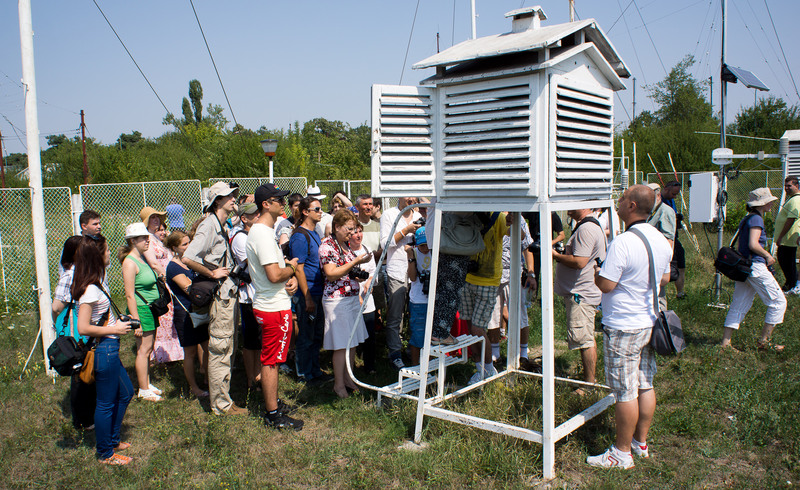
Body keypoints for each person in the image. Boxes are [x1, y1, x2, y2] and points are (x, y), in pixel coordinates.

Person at [588, 185, 672, 469]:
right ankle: (640, 442)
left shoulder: (623, 242)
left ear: (632, 206)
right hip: (649, 320)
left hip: (623, 325)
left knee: (624, 391)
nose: (619, 201)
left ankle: (621, 453)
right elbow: (665, 278)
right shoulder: (660, 239)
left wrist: (598, 273)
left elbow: (607, 285)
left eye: (623, 198)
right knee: (645, 383)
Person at [183, 182, 248, 416]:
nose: (233, 199)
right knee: (220, 347)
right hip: (220, 296)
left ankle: (224, 397)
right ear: (217, 201)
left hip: (228, 294)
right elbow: (188, 257)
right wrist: (211, 273)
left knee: (227, 346)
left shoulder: (221, 224)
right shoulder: (209, 225)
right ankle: (221, 404)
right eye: (228, 196)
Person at [72, 234, 134, 465]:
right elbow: (83, 327)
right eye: (107, 250)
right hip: (104, 350)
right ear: (97, 256)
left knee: (126, 392)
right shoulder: (90, 290)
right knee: (105, 403)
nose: (110, 254)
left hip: (110, 347)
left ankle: (113, 439)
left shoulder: (97, 282)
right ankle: (105, 453)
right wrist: (114, 329)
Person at [246, 183, 303, 430]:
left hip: (272, 303)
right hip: (273, 308)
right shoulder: (261, 234)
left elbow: (274, 272)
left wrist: (288, 277)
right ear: (265, 204)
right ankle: (272, 414)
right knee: (271, 362)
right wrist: (292, 268)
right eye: (278, 200)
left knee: (273, 360)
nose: (283, 203)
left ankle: (274, 404)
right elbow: (273, 274)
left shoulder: (264, 232)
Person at [721, 188, 787, 352]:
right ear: (763, 203)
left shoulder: (748, 218)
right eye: (769, 201)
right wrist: (768, 256)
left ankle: (725, 343)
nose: (771, 204)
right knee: (778, 302)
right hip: (755, 266)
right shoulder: (757, 219)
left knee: (739, 303)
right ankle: (764, 342)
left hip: (746, 267)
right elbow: (753, 244)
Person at [319, 209, 372, 397]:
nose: (352, 233)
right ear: (337, 227)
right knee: (342, 345)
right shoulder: (327, 246)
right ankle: (339, 384)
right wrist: (356, 260)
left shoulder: (345, 245)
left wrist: (357, 275)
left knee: (352, 342)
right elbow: (331, 273)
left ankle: (349, 378)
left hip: (351, 298)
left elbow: (345, 271)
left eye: (353, 229)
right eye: (348, 229)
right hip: (337, 301)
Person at [553, 208, 607, 391]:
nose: (567, 207)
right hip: (582, 292)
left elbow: (580, 262)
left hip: (581, 294)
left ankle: (589, 384)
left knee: (584, 340)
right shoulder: (585, 226)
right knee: (584, 337)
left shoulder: (586, 229)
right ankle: (588, 379)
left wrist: (556, 256)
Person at [52, 235, 95, 430]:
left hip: (84, 325)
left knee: (87, 366)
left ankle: (89, 412)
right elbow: (56, 307)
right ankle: (82, 419)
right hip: (75, 326)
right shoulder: (70, 275)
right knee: (79, 370)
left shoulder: (85, 271)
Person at [461, 212, 508, 385]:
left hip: (488, 280)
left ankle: (489, 369)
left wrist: (513, 220)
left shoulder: (499, 217)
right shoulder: (468, 214)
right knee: (469, 328)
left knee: (477, 328)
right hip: (467, 277)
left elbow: (520, 236)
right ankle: (479, 369)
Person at [119, 222, 163, 402]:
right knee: (143, 350)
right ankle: (143, 389)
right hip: (142, 310)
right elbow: (129, 295)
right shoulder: (130, 263)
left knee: (148, 348)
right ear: (133, 241)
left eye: (147, 237)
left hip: (150, 308)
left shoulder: (142, 258)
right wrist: (136, 321)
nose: (147, 240)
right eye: (143, 238)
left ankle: (147, 383)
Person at [165, 230, 210, 398]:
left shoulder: (190, 262)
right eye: (184, 244)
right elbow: (190, 289)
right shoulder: (173, 267)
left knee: (207, 347)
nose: (189, 245)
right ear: (174, 248)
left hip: (199, 311)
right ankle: (194, 387)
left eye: (189, 242)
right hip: (185, 314)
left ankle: (208, 378)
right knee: (190, 353)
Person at [379, 197, 422, 370]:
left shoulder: (418, 215)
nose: (411, 198)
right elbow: (385, 243)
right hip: (397, 270)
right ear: (399, 195)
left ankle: (413, 349)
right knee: (396, 314)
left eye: (413, 195)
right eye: (407, 194)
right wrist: (406, 231)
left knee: (415, 312)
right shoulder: (389, 214)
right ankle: (395, 352)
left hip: (416, 271)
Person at [289, 197, 328, 383]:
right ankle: (304, 374)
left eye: (320, 208)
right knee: (306, 335)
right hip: (308, 292)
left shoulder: (315, 233)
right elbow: (299, 269)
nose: (321, 212)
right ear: (305, 212)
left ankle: (314, 370)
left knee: (316, 334)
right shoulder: (299, 236)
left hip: (318, 290)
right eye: (317, 209)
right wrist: (307, 297)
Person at [141, 206, 183, 363]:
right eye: (152, 217)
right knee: (164, 317)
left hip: (168, 279)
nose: (156, 220)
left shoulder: (157, 238)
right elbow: (153, 263)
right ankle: (162, 354)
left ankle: (174, 352)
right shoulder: (147, 239)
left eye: (157, 217)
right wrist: (167, 278)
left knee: (170, 316)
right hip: (161, 282)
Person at [230, 202, 262, 390]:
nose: (258, 215)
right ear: (244, 218)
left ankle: (258, 374)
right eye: (253, 214)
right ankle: (251, 377)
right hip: (248, 296)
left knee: (259, 338)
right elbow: (254, 262)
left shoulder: (254, 235)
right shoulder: (241, 238)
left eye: (258, 212)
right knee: (251, 340)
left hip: (259, 295)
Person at [350, 221, 377, 372]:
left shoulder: (367, 251)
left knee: (369, 333)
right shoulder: (346, 252)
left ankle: (370, 366)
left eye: (360, 231)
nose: (358, 235)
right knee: (351, 334)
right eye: (355, 232)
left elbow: (373, 271)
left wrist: (370, 281)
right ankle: (350, 366)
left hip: (367, 299)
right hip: (351, 298)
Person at [645, 183, 676, 311]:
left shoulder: (665, 211)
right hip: (646, 262)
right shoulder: (649, 211)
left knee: (658, 299)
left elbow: (668, 241)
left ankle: (661, 319)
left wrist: (662, 265)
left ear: (658, 196)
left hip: (658, 262)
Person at [405, 227, 431, 366]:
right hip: (418, 300)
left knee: (432, 337)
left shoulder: (436, 252)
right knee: (417, 336)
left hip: (433, 300)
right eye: (422, 245)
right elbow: (413, 277)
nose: (425, 248)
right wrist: (411, 257)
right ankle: (416, 367)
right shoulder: (414, 253)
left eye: (428, 244)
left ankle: (430, 367)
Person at [774, 176, 800, 294]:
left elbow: (791, 219)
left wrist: (781, 236)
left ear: (796, 186)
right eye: (785, 186)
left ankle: (791, 284)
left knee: (787, 262)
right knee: (784, 260)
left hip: (788, 238)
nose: (786, 188)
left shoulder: (796, 200)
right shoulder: (792, 199)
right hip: (786, 239)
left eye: (789, 186)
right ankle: (790, 283)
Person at [660, 181, 686, 298]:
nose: (674, 197)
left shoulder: (670, 200)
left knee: (681, 262)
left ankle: (680, 292)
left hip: (674, 237)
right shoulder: (659, 202)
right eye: (673, 194)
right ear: (666, 189)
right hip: (663, 238)